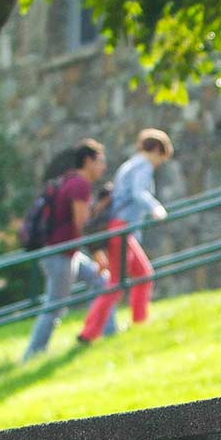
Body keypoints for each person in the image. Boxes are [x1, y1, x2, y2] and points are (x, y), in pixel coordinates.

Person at [80, 128, 172, 343]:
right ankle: (89, 332)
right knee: (117, 281)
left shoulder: (128, 165)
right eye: (162, 157)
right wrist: (155, 208)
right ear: (157, 150)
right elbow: (139, 193)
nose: (159, 163)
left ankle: (139, 322)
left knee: (142, 274)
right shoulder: (143, 166)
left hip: (119, 227)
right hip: (122, 228)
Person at [21, 139, 108, 360]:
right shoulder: (79, 184)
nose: (103, 167)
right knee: (55, 307)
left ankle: (107, 333)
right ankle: (32, 355)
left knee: (103, 283)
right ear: (88, 161)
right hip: (60, 255)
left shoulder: (67, 180)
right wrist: (98, 252)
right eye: (100, 161)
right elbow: (83, 224)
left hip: (66, 253)